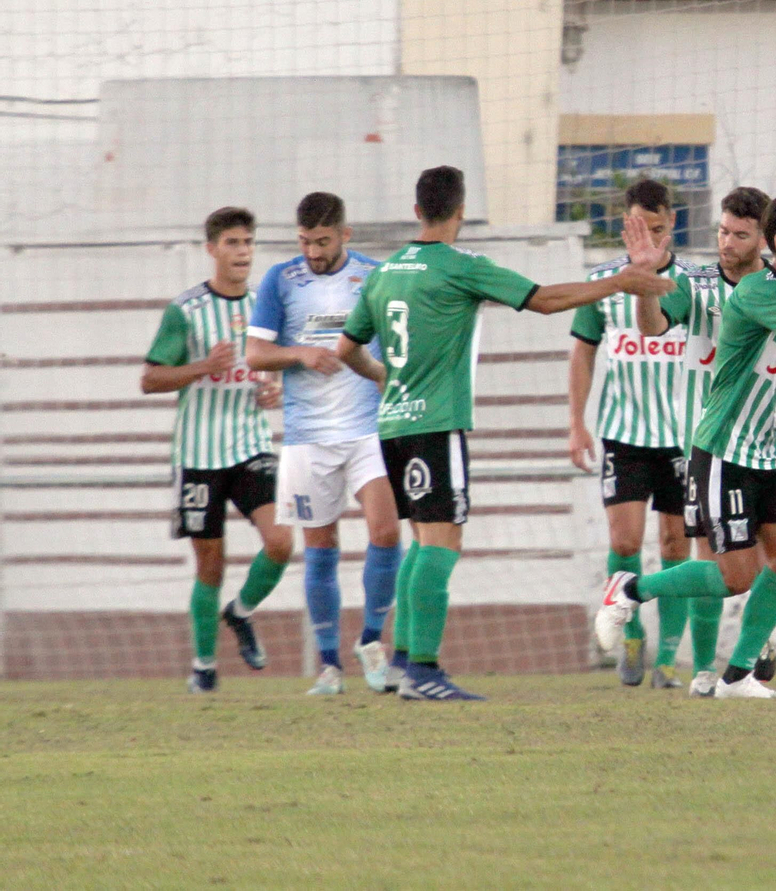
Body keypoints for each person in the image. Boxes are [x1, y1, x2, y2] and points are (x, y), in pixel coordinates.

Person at [336, 165, 674, 701]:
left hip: (393, 425)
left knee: (421, 542)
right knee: (442, 544)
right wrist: (619, 282)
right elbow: (544, 299)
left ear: (418, 210)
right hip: (436, 424)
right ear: (461, 211)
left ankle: (402, 664)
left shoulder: (384, 272)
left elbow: (346, 349)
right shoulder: (461, 267)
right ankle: (424, 670)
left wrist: (384, 377)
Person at [593, 190, 776, 699]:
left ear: (760, 239)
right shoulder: (754, 292)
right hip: (725, 448)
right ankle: (631, 591)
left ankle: (737, 676)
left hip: (774, 450)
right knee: (734, 575)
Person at [245, 192, 401, 695]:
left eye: (323, 242)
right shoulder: (280, 280)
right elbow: (255, 353)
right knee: (320, 546)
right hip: (308, 436)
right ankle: (330, 666)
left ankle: (371, 640)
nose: (313, 252)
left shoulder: (375, 277)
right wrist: (301, 355)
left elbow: (395, 347)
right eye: (305, 242)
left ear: (345, 235)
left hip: (368, 429)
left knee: (386, 532)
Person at [141, 206, 293, 693]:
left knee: (281, 541)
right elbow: (150, 379)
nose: (242, 251)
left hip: (251, 445)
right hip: (197, 455)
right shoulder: (185, 311)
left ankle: (241, 611)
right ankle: (204, 667)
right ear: (212, 249)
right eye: (232, 243)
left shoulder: (266, 307)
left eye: (247, 242)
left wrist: (275, 390)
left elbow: (277, 366)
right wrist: (203, 367)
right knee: (210, 564)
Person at [568, 178, 695, 689]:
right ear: (626, 226)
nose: (650, 237)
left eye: (658, 227)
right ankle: (633, 636)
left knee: (675, 546)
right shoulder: (603, 283)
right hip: (624, 435)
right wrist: (576, 422)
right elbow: (582, 353)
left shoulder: (693, 285)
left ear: (672, 223)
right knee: (624, 540)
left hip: (683, 438)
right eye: (640, 227)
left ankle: (669, 657)